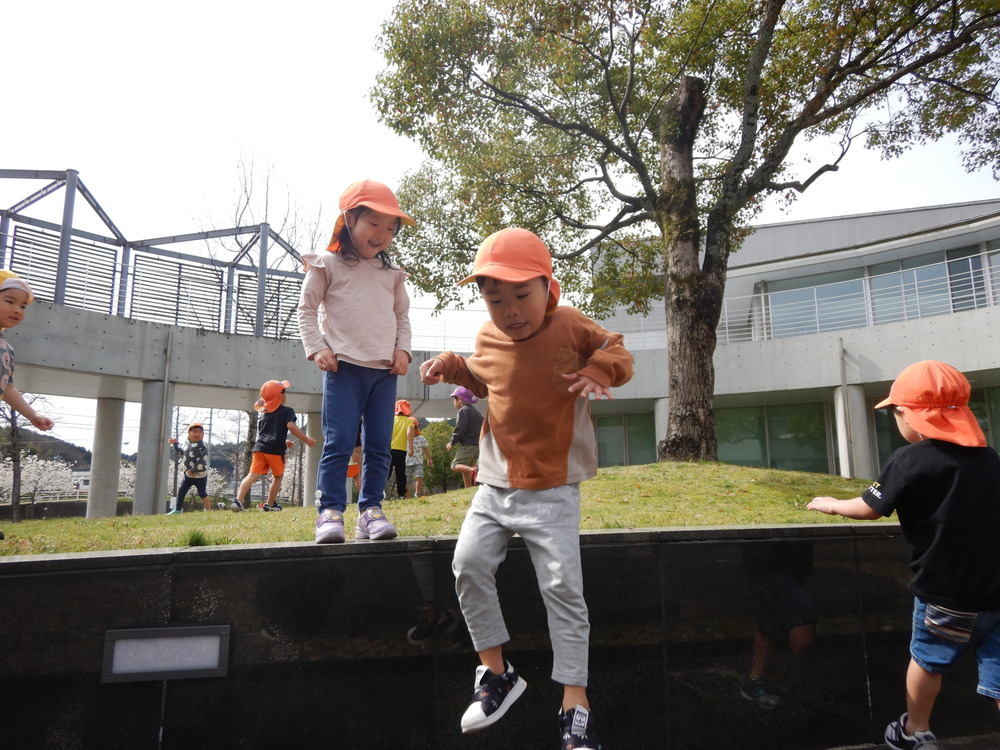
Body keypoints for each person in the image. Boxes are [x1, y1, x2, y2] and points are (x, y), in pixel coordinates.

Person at [419, 227, 633, 750]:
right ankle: (496, 673)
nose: (510, 311)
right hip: (493, 486)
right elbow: (486, 379)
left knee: (562, 590)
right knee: (467, 565)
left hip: (554, 489)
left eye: (521, 296)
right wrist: (453, 367)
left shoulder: (570, 324)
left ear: (547, 286)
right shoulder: (488, 338)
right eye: (495, 300)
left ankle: (575, 704)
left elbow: (619, 352)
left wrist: (599, 368)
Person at [807, 360, 1000, 750]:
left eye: (897, 411)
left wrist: (830, 504)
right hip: (996, 592)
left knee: (927, 660)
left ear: (912, 415)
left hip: (945, 595)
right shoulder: (990, 460)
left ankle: (915, 731)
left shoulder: (910, 460)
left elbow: (869, 507)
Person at [297, 179, 414, 544]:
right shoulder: (327, 263)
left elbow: (402, 317)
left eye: (391, 228)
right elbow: (306, 310)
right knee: (340, 442)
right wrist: (317, 347)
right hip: (344, 368)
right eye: (374, 223)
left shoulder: (391, 275)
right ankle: (330, 512)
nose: (383, 233)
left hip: (383, 372)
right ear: (349, 220)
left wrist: (403, 350)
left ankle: (371, 510)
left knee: (380, 445)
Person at [232, 380, 316, 511]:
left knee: (252, 475)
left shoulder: (264, 414)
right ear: (281, 396)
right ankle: (270, 505)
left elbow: (267, 435)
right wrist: (306, 439)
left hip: (259, 449)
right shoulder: (287, 411)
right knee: (278, 476)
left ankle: (238, 500)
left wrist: (283, 442)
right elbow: (291, 426)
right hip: (275, 451)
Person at [0, 270, 54, 433]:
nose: (17, 309)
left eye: (23, 306)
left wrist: (32, 415)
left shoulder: (7, 350)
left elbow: (8, 389)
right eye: (10, 301)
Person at [167, 422, 212, 513]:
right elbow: (181, 450)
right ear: (189, 433)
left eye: (200, 432)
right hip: (188, 474)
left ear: (202, 434)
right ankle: (178, 509)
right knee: (182, 491)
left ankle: (208, 510)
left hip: (200, 475)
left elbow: (203, 460)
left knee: (202, 493)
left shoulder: (203, 445)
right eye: (194, 431)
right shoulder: (186, 444)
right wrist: (175, 444)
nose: (197, 434)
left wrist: (193, 469)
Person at [447, 386, 484, 488]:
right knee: (466, 467)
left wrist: (451, 442)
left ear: (459, 399)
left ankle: (476, 470)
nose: (453, 402)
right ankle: (468, 488)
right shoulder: (476, 412)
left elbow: (460, 429)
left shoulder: (463, 411)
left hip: (468, 444)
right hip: (477, 445)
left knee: (455, 465)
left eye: (454, 399)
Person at [390, 399, 415, 499]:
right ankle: (401, 495)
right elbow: (409, 433)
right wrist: (411, 448)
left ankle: (380, 492)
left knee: (386, 472)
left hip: (388, 450)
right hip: (400, 451)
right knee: (400, 473)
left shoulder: (391, 419)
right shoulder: (409, 421)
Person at [406, 419, 432, 498]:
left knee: (419, 475)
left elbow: (425, 449)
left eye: (414, 428)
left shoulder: (421, 438)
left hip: (418, 461)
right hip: (407, 462)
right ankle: (406, 497)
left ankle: (417, 494)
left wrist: (429, 459)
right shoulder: (405, 438)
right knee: (407, 481)